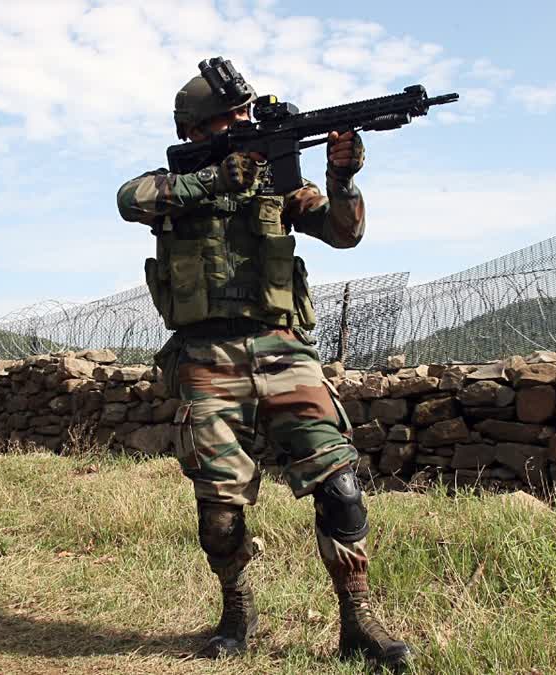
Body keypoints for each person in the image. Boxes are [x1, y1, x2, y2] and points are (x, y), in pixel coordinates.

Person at [115, 68, 412, 669]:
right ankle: (236, 610)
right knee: (220, 512)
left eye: (248, 114)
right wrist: (211, 179)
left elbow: (344, 233)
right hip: (206, 358)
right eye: (231, 119)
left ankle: (357, 621)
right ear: (195, 129)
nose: (245, 125)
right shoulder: (173, 183)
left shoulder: (278, 185)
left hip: (284, 348)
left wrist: (341, 177)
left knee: (341, 487)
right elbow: (129, 199)